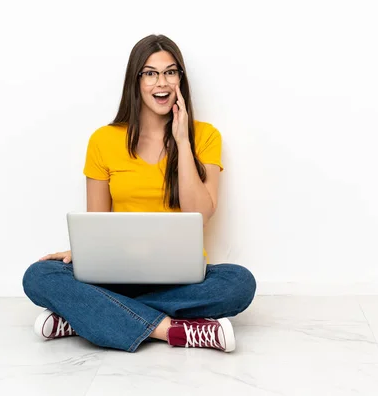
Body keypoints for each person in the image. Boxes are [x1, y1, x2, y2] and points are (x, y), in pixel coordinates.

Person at [22, 34, 256, 353]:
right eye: (150, 73)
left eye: (171, 72)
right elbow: (97, 224)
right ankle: (175, 331)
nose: (161, 81)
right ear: (136, 80)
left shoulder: (205, 136)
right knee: (38, 275)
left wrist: (183, 141)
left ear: (180, 79)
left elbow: (200, 214)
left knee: (239, 284)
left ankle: (82, 317)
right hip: (115, 275)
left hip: (181, 278)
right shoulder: (103, 140)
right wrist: (82, 251)